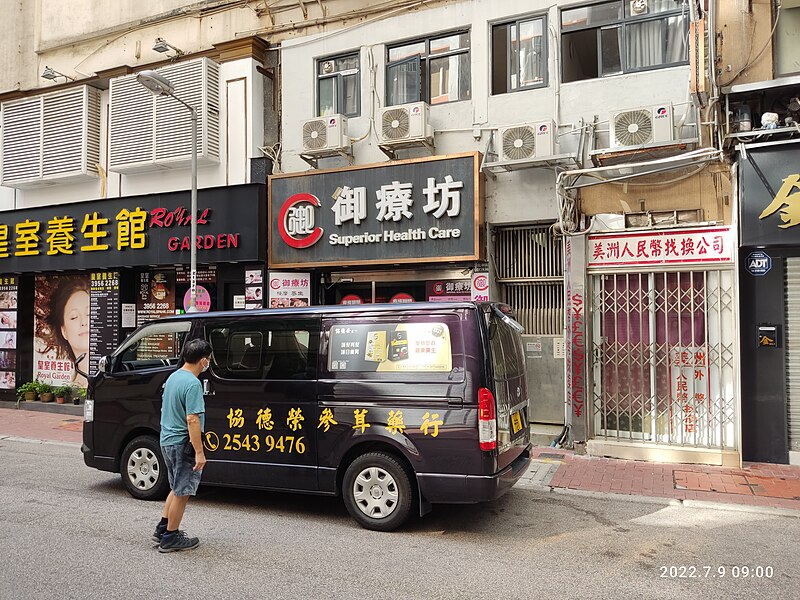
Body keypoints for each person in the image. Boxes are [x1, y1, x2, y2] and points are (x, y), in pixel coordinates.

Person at [153, 338, 213, 553]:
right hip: (182, 444)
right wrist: (199, 452)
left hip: (167, 440)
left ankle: (163, 527)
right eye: (208, 360)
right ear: (203, 361)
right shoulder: (192, 383)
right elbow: (192, 419)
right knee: (182, 491)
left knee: (175, 486)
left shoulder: (174, 377)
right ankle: (170, 537)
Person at [37, 277, 90, 387]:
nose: (84, 322)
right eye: (74, 317)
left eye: (89, 314)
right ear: (63, 331)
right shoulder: (68, 388)